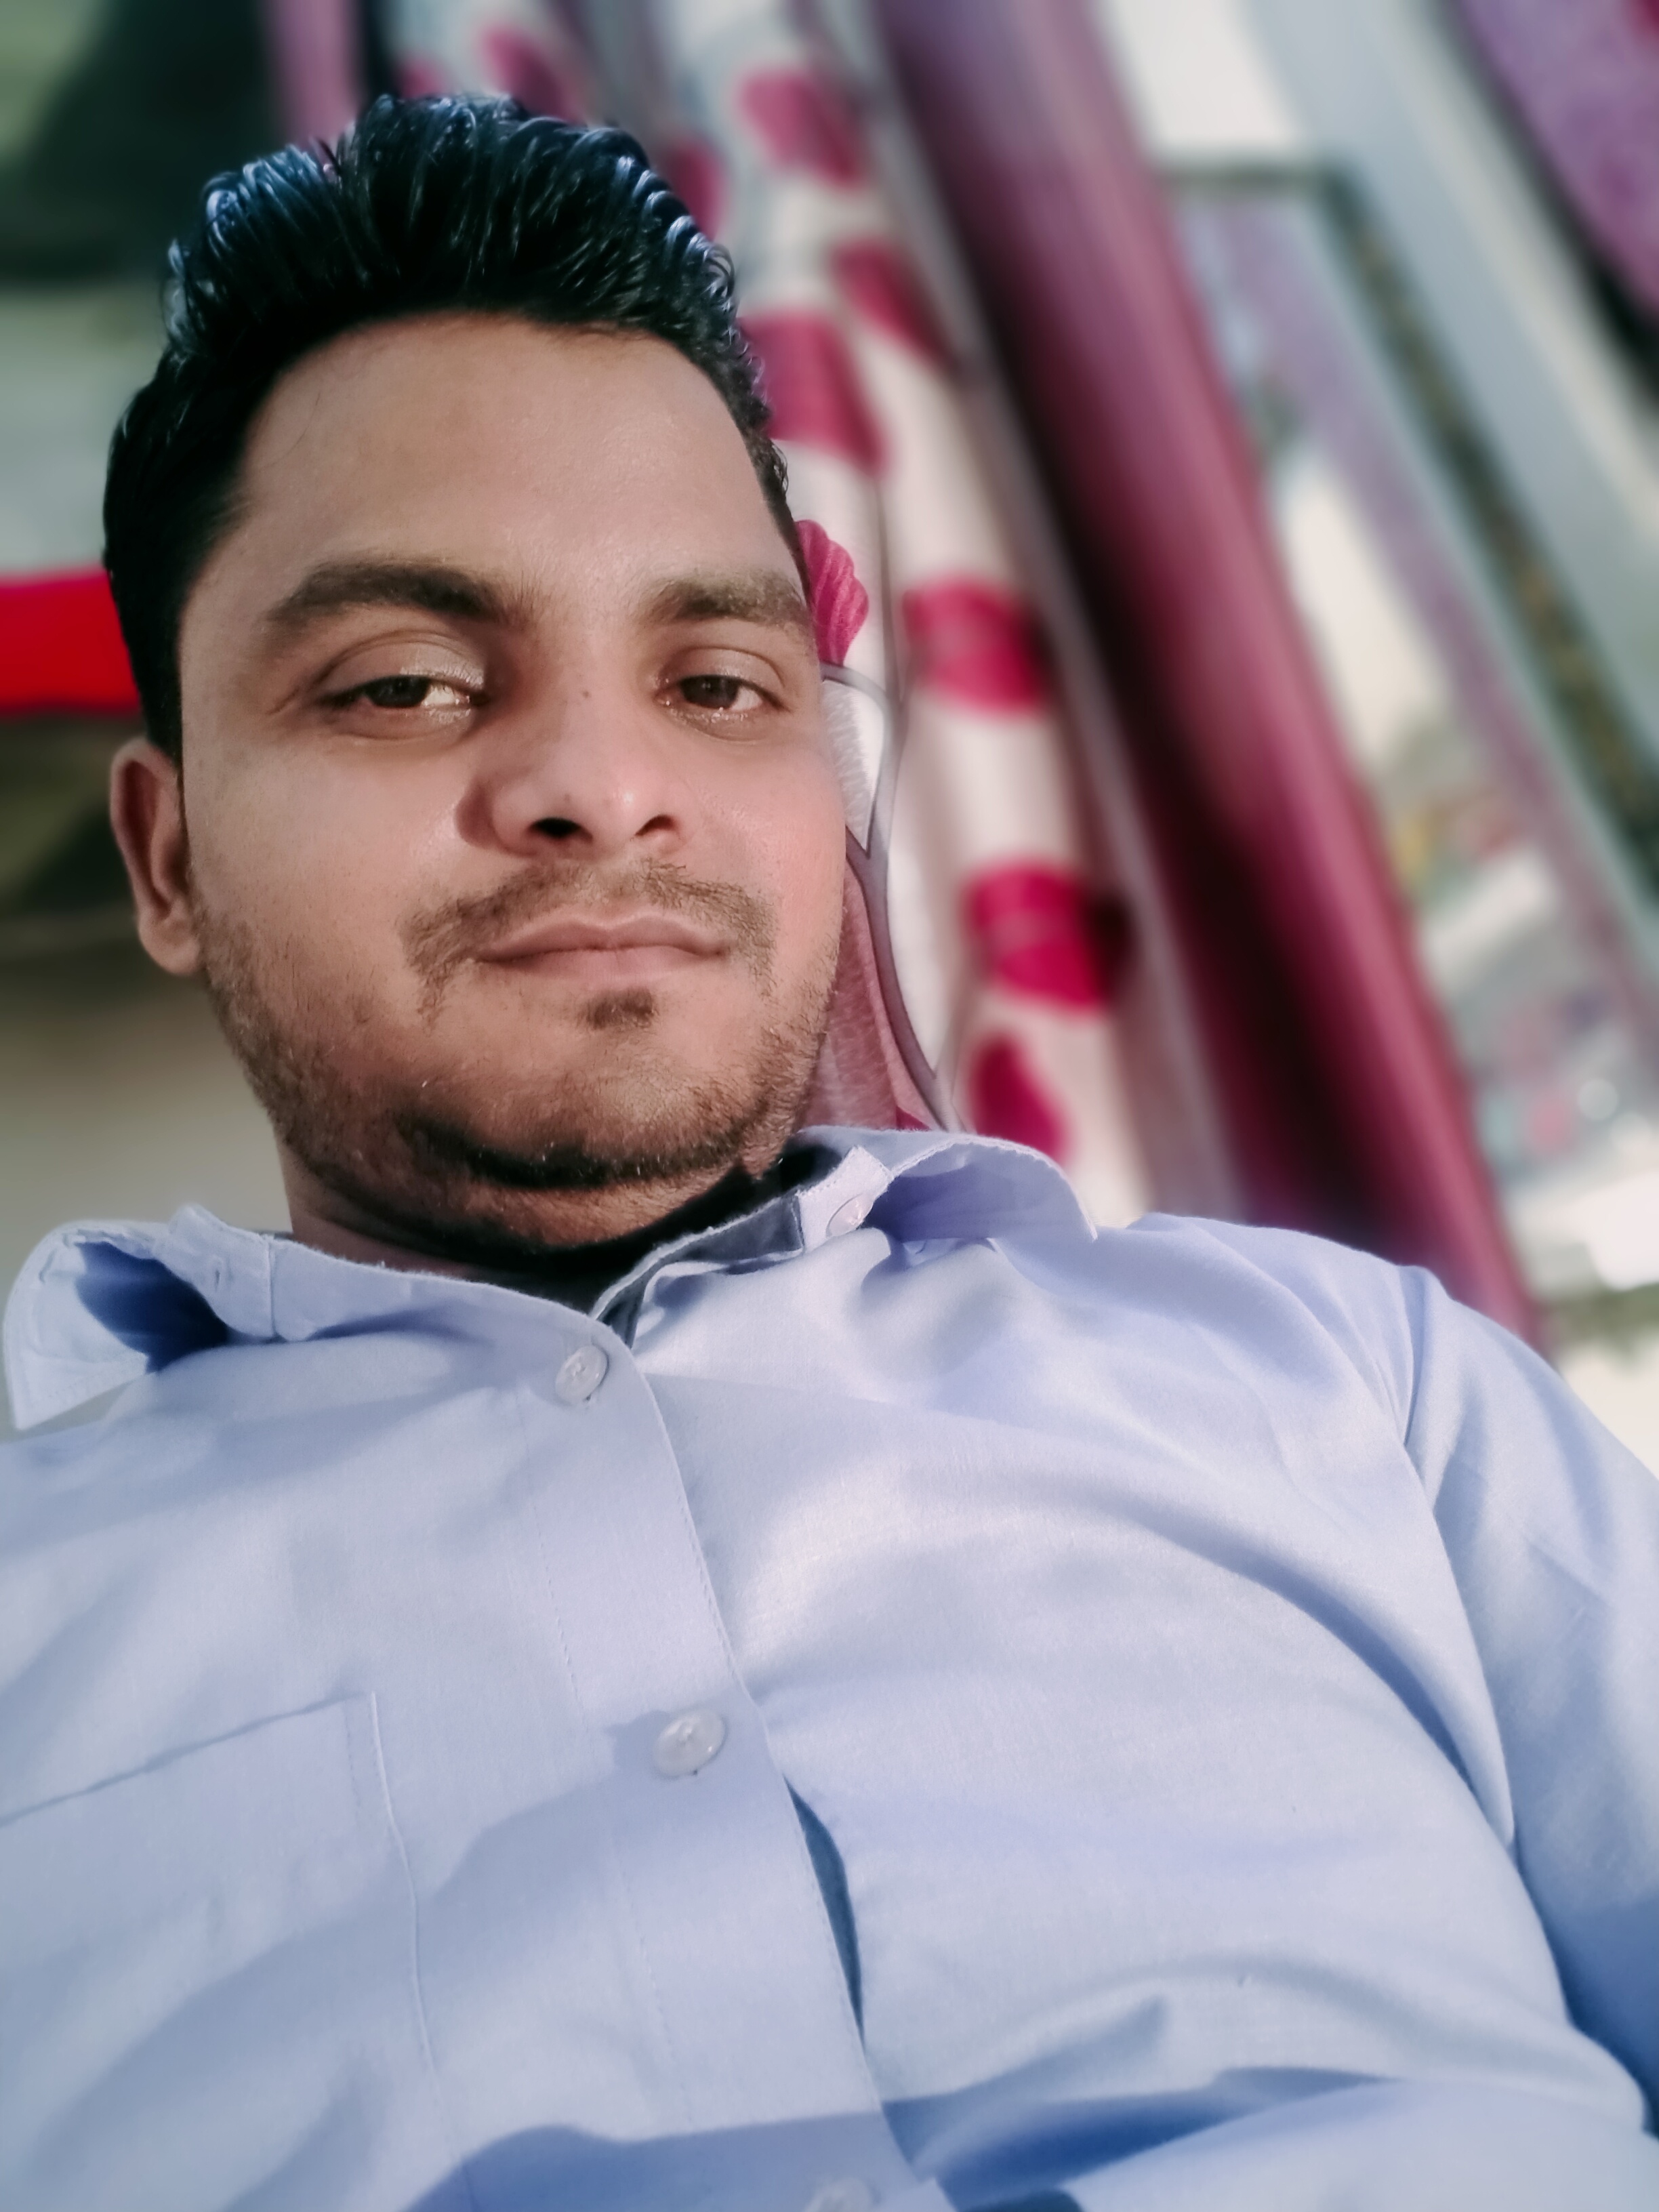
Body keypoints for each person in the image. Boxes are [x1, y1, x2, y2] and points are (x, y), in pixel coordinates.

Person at [0, 96, 1654, 2212]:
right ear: (168, 857)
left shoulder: (1355, 1390)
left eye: (717, 682)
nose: (605, 786)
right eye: (405, 685)